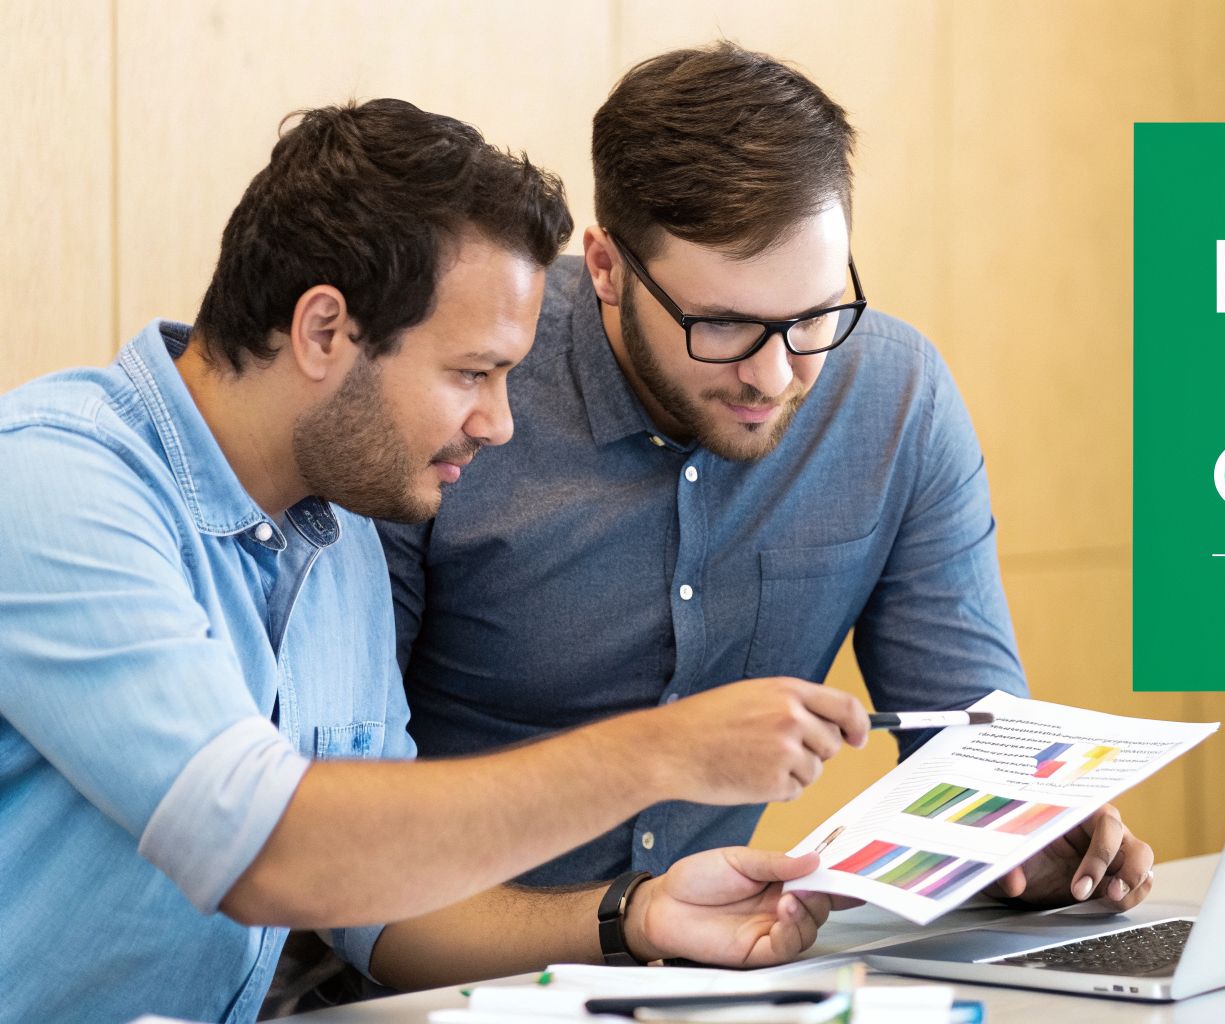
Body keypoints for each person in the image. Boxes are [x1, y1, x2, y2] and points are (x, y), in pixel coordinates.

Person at [0, 99, 871, 1024]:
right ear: (324, 331)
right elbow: (269, 856)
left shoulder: (340, 534)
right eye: (472, 373)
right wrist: (659, 753)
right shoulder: (51, 483)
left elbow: (376, 910)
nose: (498, 423)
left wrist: (635, 914)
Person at [379, 42, 1156, 910]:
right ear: (605, 267)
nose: (777, 376)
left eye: (815, 317)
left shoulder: (895, 399)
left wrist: (1025, 840)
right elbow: (344, 822)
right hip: (440, 974)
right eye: (721, 325)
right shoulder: (460, 395)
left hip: (726, 975)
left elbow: (974, 750)